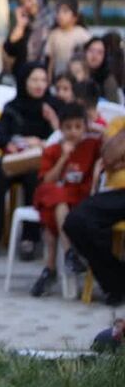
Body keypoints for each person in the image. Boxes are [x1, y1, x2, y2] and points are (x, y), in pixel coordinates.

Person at [0, 63, 61, 263]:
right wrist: (16, 142)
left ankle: (29, 239)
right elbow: (1, 137)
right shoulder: (12, 106)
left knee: (34, 179)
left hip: (41, 163)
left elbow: (61, 138)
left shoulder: (53, 106)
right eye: (34, 80)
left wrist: (51, 124)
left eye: (43, 80)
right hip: (16, 159)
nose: (39, 85)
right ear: (24, 81)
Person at [30, 103, 100, 296]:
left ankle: (50, 268)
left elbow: (110, 137)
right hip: (57, 197)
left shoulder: (92, 145)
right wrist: (63, 158)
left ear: (85, 127)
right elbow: (47, 179)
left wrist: (94, 128)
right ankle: (69, 254)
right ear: (60, 128)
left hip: (78, 198)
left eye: (78, 127)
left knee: (53, 209)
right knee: (55, 199)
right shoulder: (52, 149)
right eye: (68, 127)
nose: (73, 132)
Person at [64, 118, 125, 306]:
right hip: (119, 193)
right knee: (76, 221)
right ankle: (117, 281)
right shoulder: (118, 123)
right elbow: (109, 159)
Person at [3, 0, 54, 75]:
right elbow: (10, 49)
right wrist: (20, 25)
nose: (27, 4)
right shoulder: (25, 25)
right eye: (22, 2)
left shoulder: (52, 21)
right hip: (24, 75)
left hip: (45, 76)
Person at [46, 0, 91, 81]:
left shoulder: (82, 34)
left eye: (65, 11)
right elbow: (51, 60)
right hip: (59, 78)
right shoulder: (53, 34)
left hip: (78, 78)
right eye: (58, 11)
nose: (60, 15)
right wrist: (49, 78)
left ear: (75, 16)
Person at [83, 36, 123, 104]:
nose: (94, 55)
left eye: (100, 52)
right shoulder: (77, 73)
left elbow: (114, 107)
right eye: (91, 50)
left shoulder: (108, 79)